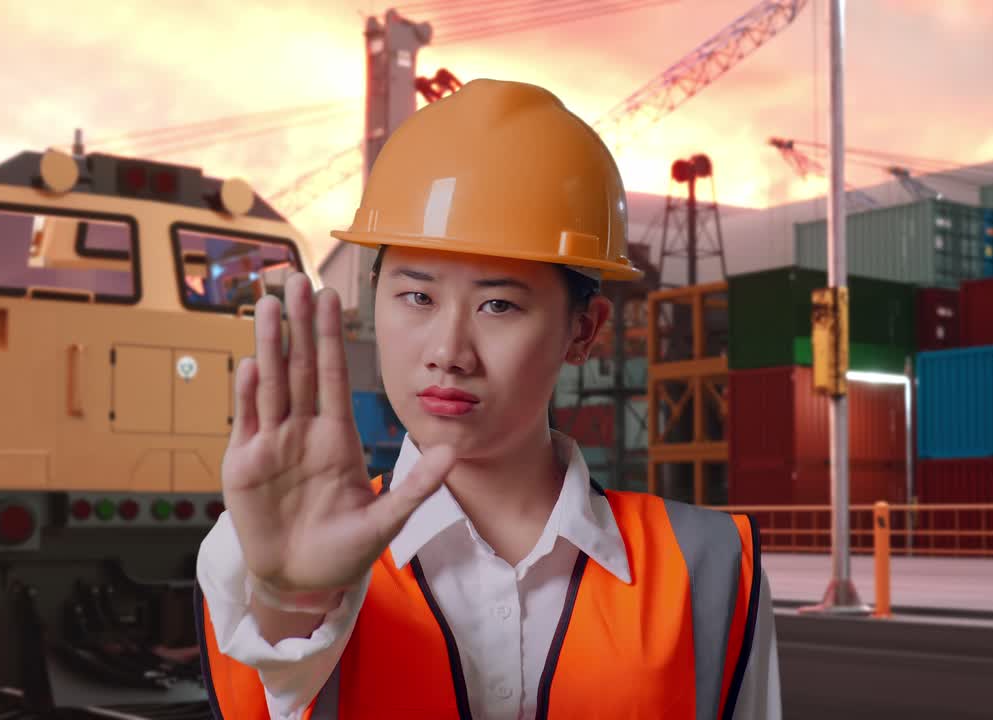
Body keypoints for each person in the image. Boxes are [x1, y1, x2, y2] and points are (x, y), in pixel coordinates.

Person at [195, 78, 781, 720]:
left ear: (582, 331)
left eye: (498, 304)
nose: (449, 350)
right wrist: (294, 600)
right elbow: (274, 673)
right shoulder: (275, 548)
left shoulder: (708, 566)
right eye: (417, 296)